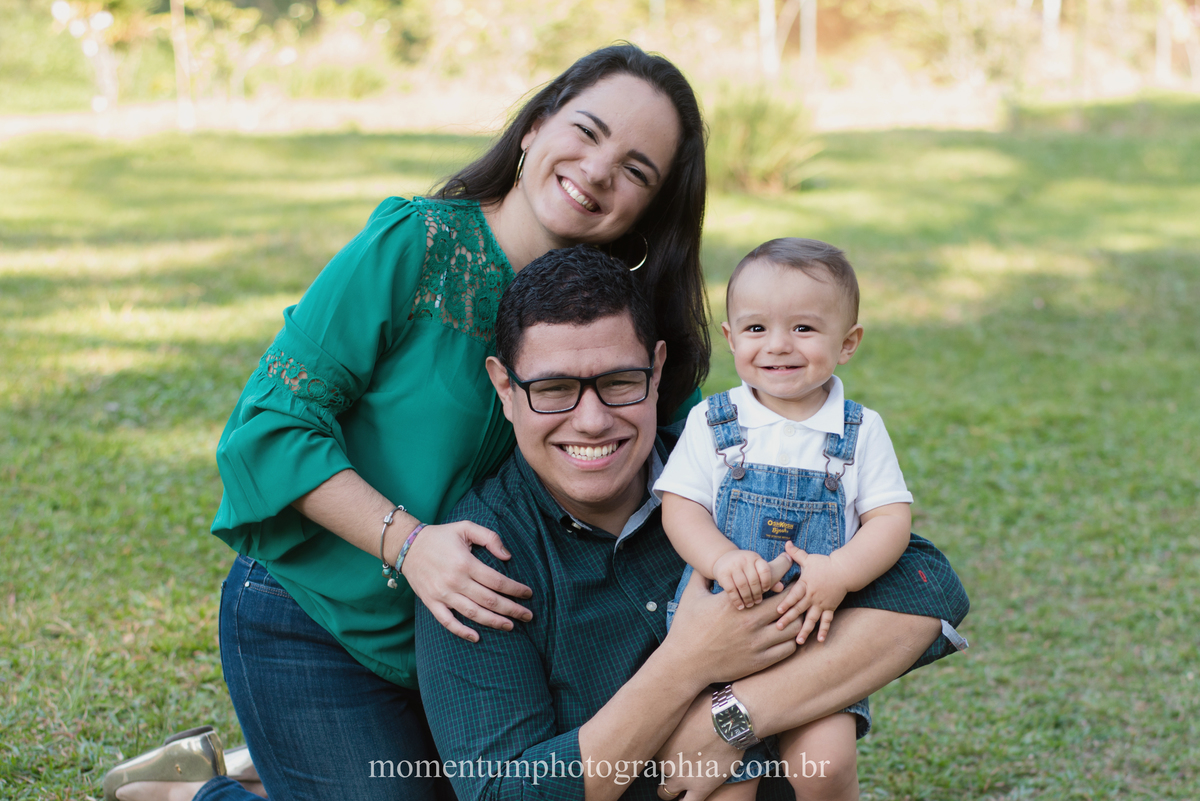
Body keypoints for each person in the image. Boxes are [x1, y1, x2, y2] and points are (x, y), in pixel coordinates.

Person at [102, 44, 711, 801]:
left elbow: (694, 458)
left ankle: (275, 766)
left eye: (636, 169)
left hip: (479, 646)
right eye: (586, 132)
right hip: (318, 618)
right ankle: (186, 792)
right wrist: (411, 543)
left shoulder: (613, 321)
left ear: (650, 207)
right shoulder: (416, 246)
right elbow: (266, 427)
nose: (597, 170)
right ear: (533, 127)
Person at [415, 247, 970, 801]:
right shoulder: (474, 559)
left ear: (657, 371)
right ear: (506, 388)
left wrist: (730, 721)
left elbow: (929, 586)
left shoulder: (718, 471)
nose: (590, 420)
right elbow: (501, 794)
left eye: (619, 381)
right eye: (554, 389)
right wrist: (687, 663)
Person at [655, 238, 966, 801]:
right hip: (722, 633)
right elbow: (681, 507)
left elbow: (891, 518)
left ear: (847, 343)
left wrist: (841, 572)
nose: (778, 346)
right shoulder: (715, 421)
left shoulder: (858, 430)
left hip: (820, 640)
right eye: (756, 329)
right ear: (729, 338)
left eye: (803, 329)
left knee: (827, 765)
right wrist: (722, 557)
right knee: (724, 788)